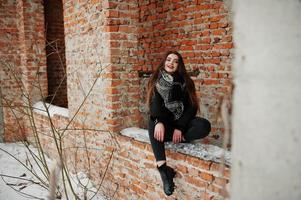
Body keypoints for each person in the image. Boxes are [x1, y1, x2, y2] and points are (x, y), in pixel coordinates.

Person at [146, 51, 211, 196]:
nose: (171, 63)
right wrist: (159, 121)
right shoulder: (155, 80)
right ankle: (164, 170)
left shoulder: (186, 82)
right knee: (153, 123)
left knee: (203, 126)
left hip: (181, 123)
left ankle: (179, 137)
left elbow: (192, 107)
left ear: (179, 65)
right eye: (168, 59)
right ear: (164, 62)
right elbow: (154, 104)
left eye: (175, 61)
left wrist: (180, 128)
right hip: (165, 125)